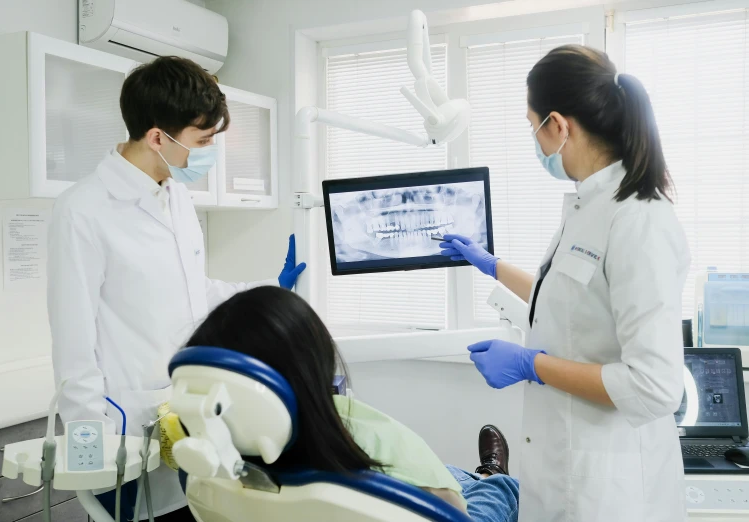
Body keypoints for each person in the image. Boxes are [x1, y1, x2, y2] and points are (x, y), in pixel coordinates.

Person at [47, 56, 306, 521]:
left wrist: (270, 289)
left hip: (185, 416)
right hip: (123, 429)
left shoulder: (176, 197)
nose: (210, 152)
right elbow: (73, 342)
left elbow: (193, 293)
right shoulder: (82, 211)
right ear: (156, 137)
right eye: (202, 140)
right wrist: (93, 448)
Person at [440, 45, 690, 522]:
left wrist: (531, 364)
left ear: (557, 124)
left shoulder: (639, 220)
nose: (533, 139)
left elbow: (656, 386)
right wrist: (490, 265)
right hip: (563, 471)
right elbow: (571, 304)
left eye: (531, 124)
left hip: (609, 492)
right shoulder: (588, 205)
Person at [179, 286, 521, 522]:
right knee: (498, 491)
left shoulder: (211, 473)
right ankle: (493, 474)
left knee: (451, 472)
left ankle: (478, 474)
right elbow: (452, 510)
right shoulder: (368, 440)